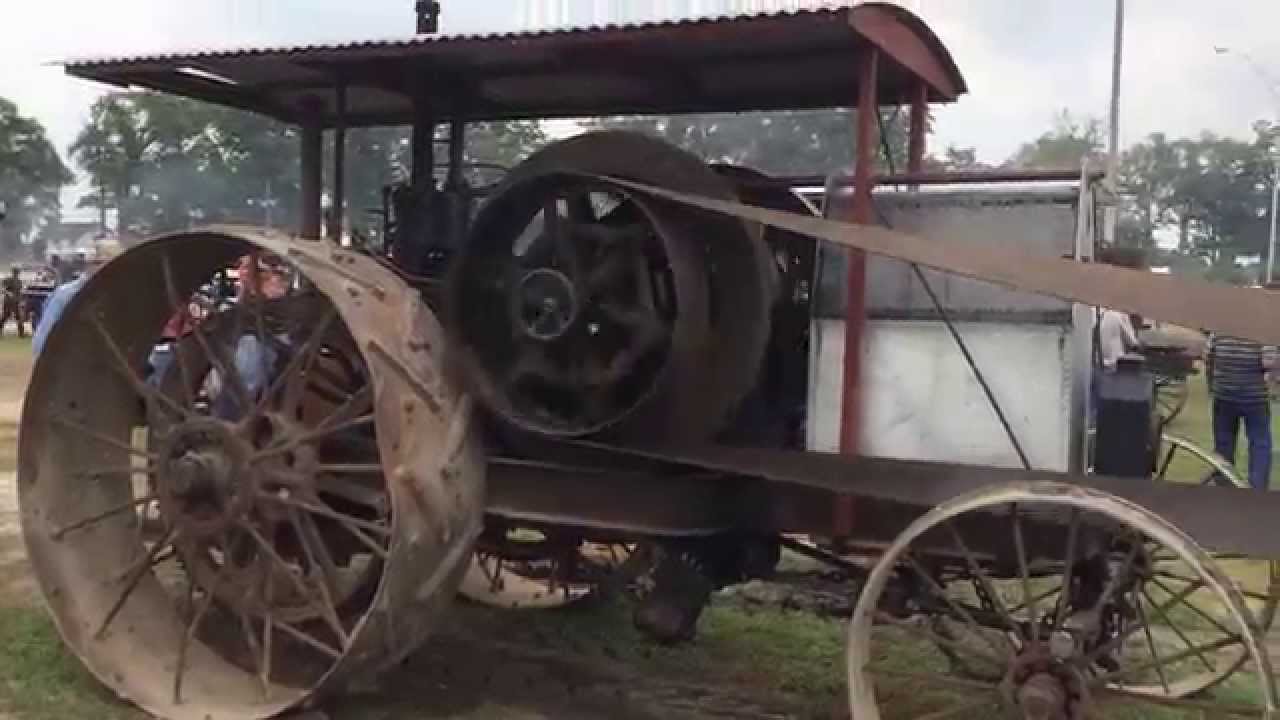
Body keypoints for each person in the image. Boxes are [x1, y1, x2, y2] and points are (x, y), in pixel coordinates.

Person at [1207, 331, 1276, 490]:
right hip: (1254, 397)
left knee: (1223, 442)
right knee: (1259, 443)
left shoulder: (1219, 330)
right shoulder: (1260, 331)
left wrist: (1212, 382)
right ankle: (1257, 487)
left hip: (1224, 393)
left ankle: (1223, 483)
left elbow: (1208, 355)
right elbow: (1269, 361)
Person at [32, 249, 118, 357]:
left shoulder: (114, 296)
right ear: (88, 265)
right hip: (69, 362)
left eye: (107, 263)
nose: (101, 268)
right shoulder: (65, 295)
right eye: (97, 262)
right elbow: (42, 339)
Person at [1, 267, 25, 338]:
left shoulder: (19, 281)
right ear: (14, 272)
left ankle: (21, 334)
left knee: (18, 317)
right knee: (5, 316)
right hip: (8, 301)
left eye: (17, 272)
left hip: (16, 301)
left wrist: (21, 300)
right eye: (16, 272)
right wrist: (8, 293)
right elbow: (3, 288)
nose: (17, 274)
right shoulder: (8, 279)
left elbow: (20, 292)